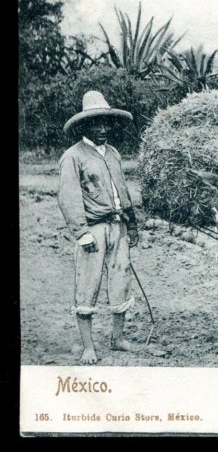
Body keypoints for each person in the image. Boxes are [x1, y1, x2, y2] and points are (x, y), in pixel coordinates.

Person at [58, 91, 139, 364]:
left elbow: (122, 191)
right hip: (93, 229)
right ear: (84, 126)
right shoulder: (73, 157)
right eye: (96, 123)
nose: (102, 128)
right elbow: (68, 197)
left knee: (121, 279)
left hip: (118, 226)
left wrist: (133, 222)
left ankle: (118, 338)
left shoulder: (113, 154)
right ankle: (88, 347)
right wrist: (81, 233)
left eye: (106, 122)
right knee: (87, 284)